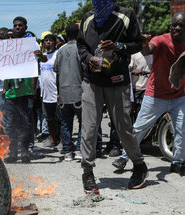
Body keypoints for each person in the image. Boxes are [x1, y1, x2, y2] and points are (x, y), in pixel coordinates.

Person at [77, 0, 148, 193]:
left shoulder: (126, 15)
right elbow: (81, 46)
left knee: (123, 127)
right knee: (90, 127)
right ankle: (87, 171)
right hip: (91, 80)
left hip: (117, 81)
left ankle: (139, 165)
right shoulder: (87, 18)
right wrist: (88, 59)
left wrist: (118, 46)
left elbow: (136, 44)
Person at [114, 12, 185, 176]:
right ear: (170, 26)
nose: (177, 28)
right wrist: (143, 44)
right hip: (155, 95)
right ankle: (124, 158)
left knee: (181, 129)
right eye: (175, 24)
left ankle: (177, 162)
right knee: (139, 128)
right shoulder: (161, 39)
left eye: (181, 25)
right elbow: (147, 50)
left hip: (179, 95)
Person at [2, 16, 44, 163]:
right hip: (10, 91)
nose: (17, 27)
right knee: (10, 123)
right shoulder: (7, 46)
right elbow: (3, 68)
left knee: (26, 122)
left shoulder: (31, 45)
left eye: (20, 25)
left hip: (25, 90)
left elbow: (41, 62)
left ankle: (25, 150)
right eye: (15, 25)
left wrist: (33, 86)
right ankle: (13, 152)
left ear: (25, 27)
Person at [54, 23, 83, 161]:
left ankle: (67, 152)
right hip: (79, 91)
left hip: (64, 92)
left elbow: (56, 71)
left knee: (66, 123)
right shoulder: (81, 49)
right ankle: (79, 150)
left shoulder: (60, 51)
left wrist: (58, 92)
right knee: (84, 122)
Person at [36, 34, 61, 149]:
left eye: (51, 40)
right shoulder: (42, 57)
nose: (48, 42)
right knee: (49, 118)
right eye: (46, 41)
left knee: (60, 118)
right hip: (46, 94)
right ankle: (52, 139)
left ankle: (61, 140)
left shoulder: (58, 55)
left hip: (57, 92)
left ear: (55, 43)